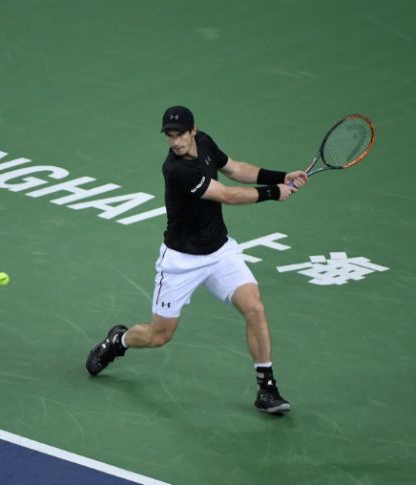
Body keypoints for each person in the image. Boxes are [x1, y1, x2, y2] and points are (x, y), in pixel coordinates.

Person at [85, 105, 309, 414]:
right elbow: (227, 195)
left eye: (179, 135)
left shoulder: (204, 142)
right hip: (181, 262)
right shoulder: (176, 170)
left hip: (219, 252)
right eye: (169, 136)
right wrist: (274, 192)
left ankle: (266, 388)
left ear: (193, 130)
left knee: (254, 307)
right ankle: (118, 341)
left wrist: (282, 175)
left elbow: (236, 169)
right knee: (159, 336)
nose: (175, 142)